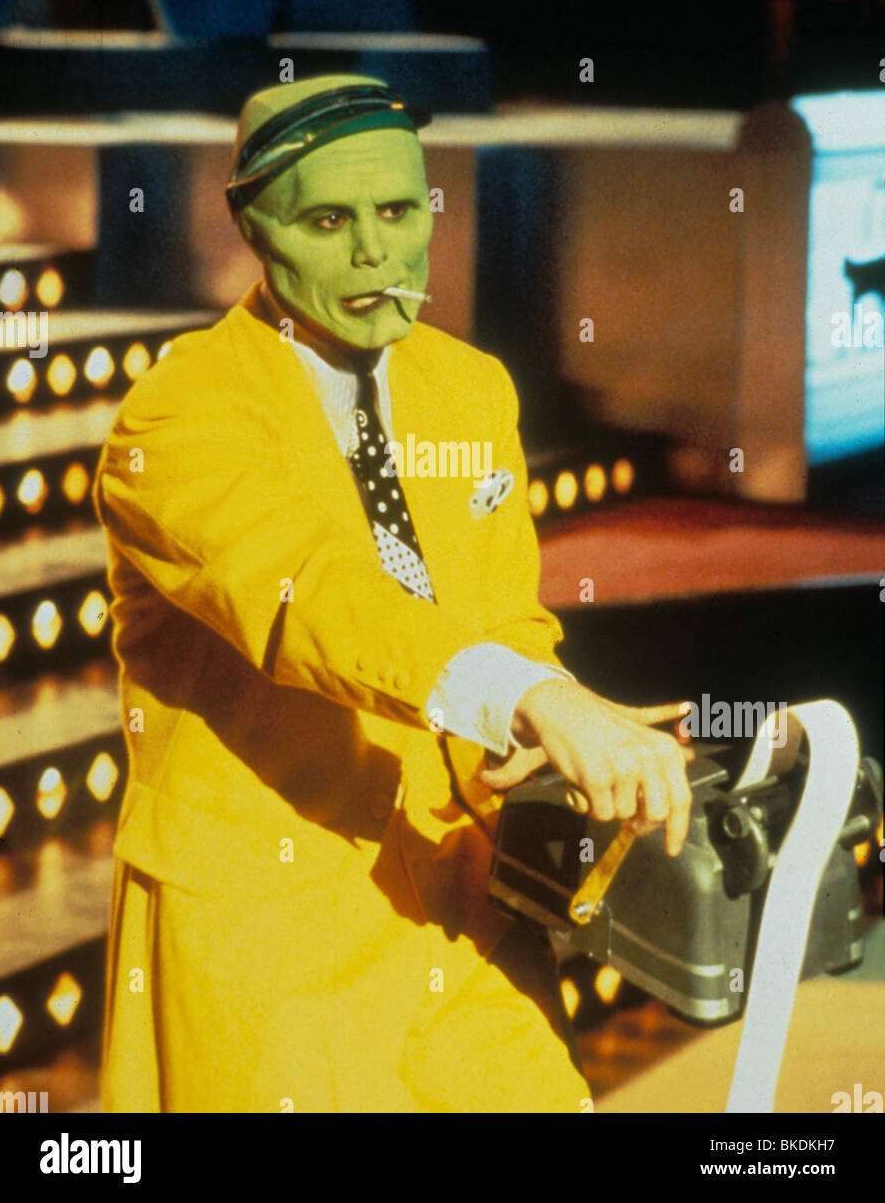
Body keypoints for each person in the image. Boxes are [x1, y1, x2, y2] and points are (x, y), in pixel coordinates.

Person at [92, 73, 692, 1113]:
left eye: (399, 210)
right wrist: (527, 697)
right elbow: (309, 599)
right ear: (251, 225)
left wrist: (558, 706)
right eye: (329, 221)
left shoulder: (469, 387)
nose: (376, 252)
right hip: (272, 933)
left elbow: (501, 614)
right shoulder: (176, 418)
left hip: (461, 904)